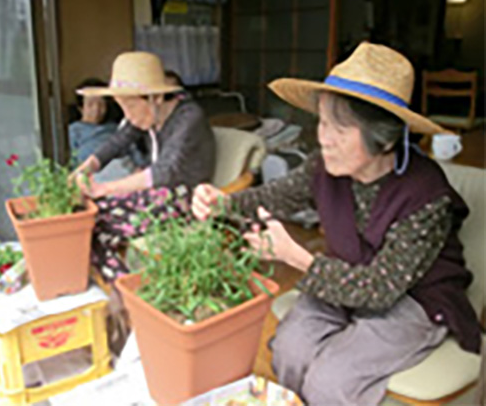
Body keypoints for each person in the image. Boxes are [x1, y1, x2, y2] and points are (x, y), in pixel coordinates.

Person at [192, 42, 481, 405]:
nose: (323, 138)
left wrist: (296, 257)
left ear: (384, 137)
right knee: (289, 350)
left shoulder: (426, 196)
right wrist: (223, 203)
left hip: (414, 300)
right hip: (342, 278)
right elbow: (272, 197)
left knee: (333, 380)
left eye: (339, 129)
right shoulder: (323, 166)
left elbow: (379, 290)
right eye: (322, 123)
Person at [72, 51, 216, 280]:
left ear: (156, 98)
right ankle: (125, 288)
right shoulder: (147, 114)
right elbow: (118, 141)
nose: (128, 116)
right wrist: (87, 167)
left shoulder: (189, 118)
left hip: (186, 200)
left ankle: (126, 291)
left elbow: (165, 172)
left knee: (96, 222)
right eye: (122, 107)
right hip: (155, 195)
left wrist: (104, 188)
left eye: (130, 106)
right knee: (88, 218)